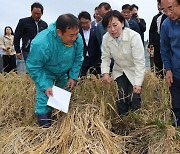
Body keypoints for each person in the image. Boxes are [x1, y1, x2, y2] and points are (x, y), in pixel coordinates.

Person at [26, 14, 84, 128]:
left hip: (63, 72)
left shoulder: (77, 38)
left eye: (76, 34)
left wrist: (73, 76)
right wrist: (45, 85)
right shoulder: (42, 42)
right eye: (71, 35)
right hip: (45, 72)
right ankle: (45, 129)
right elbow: (34, 66)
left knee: (63, 96)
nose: (74, 38)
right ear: (59, 32)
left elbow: (78, 58)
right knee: (45, 96)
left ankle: (61, 126)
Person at [101, 10, 146, 116]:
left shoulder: (134, 37)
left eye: (115, 25)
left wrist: (138, 83)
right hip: (120, 70)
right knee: (120, 97)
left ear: (122, 23)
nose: (112, 29)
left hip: (134, 69)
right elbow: (105, 57)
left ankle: (136, 121)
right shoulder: (106, 38)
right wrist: (105, 73)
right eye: (108, 27)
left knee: (134, 97)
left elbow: (140, 62)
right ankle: (123, 121)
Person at [160, 0, 180, 126]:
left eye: (171, 8)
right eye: (164, 10)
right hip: (176, 72)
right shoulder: (166, 24)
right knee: (177, 107)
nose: (168, 13)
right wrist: (168, 69)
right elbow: (165, 49)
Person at [78, 11, 101, 77]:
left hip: (95, 59)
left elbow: (99, 45)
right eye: (82, 23)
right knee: (81, 77)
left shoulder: (96, 29)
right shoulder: (78, 32)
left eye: (86, 23)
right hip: (82, 59)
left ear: (90, 20)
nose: (84, 25)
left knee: (95, 79)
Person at [148, 0, 167, 77]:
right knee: (158, 66)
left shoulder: (171, 17)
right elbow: (151, 31)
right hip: (157, 45)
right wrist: (150, 44)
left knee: (167, 65)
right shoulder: (156, 18)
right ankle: (160, 84)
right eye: (158, 4)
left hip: (167, 45)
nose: (159, 6)